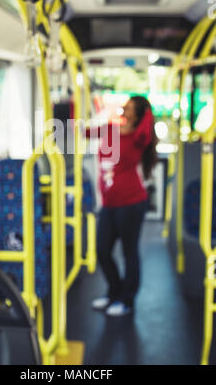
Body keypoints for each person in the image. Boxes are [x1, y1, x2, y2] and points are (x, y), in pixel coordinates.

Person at [86, 96, 157, 316]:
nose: (123, 110)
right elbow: (85, 133)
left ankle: (126, 301)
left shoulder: (138, 137)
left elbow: (147, 128)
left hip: (131, 202)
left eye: (128, 108)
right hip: (108, 203)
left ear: (139, 114)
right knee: (102, 250)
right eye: (124, 107)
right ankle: (113, 293)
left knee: (129, 253)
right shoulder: (110, 129)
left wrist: (147, 112)